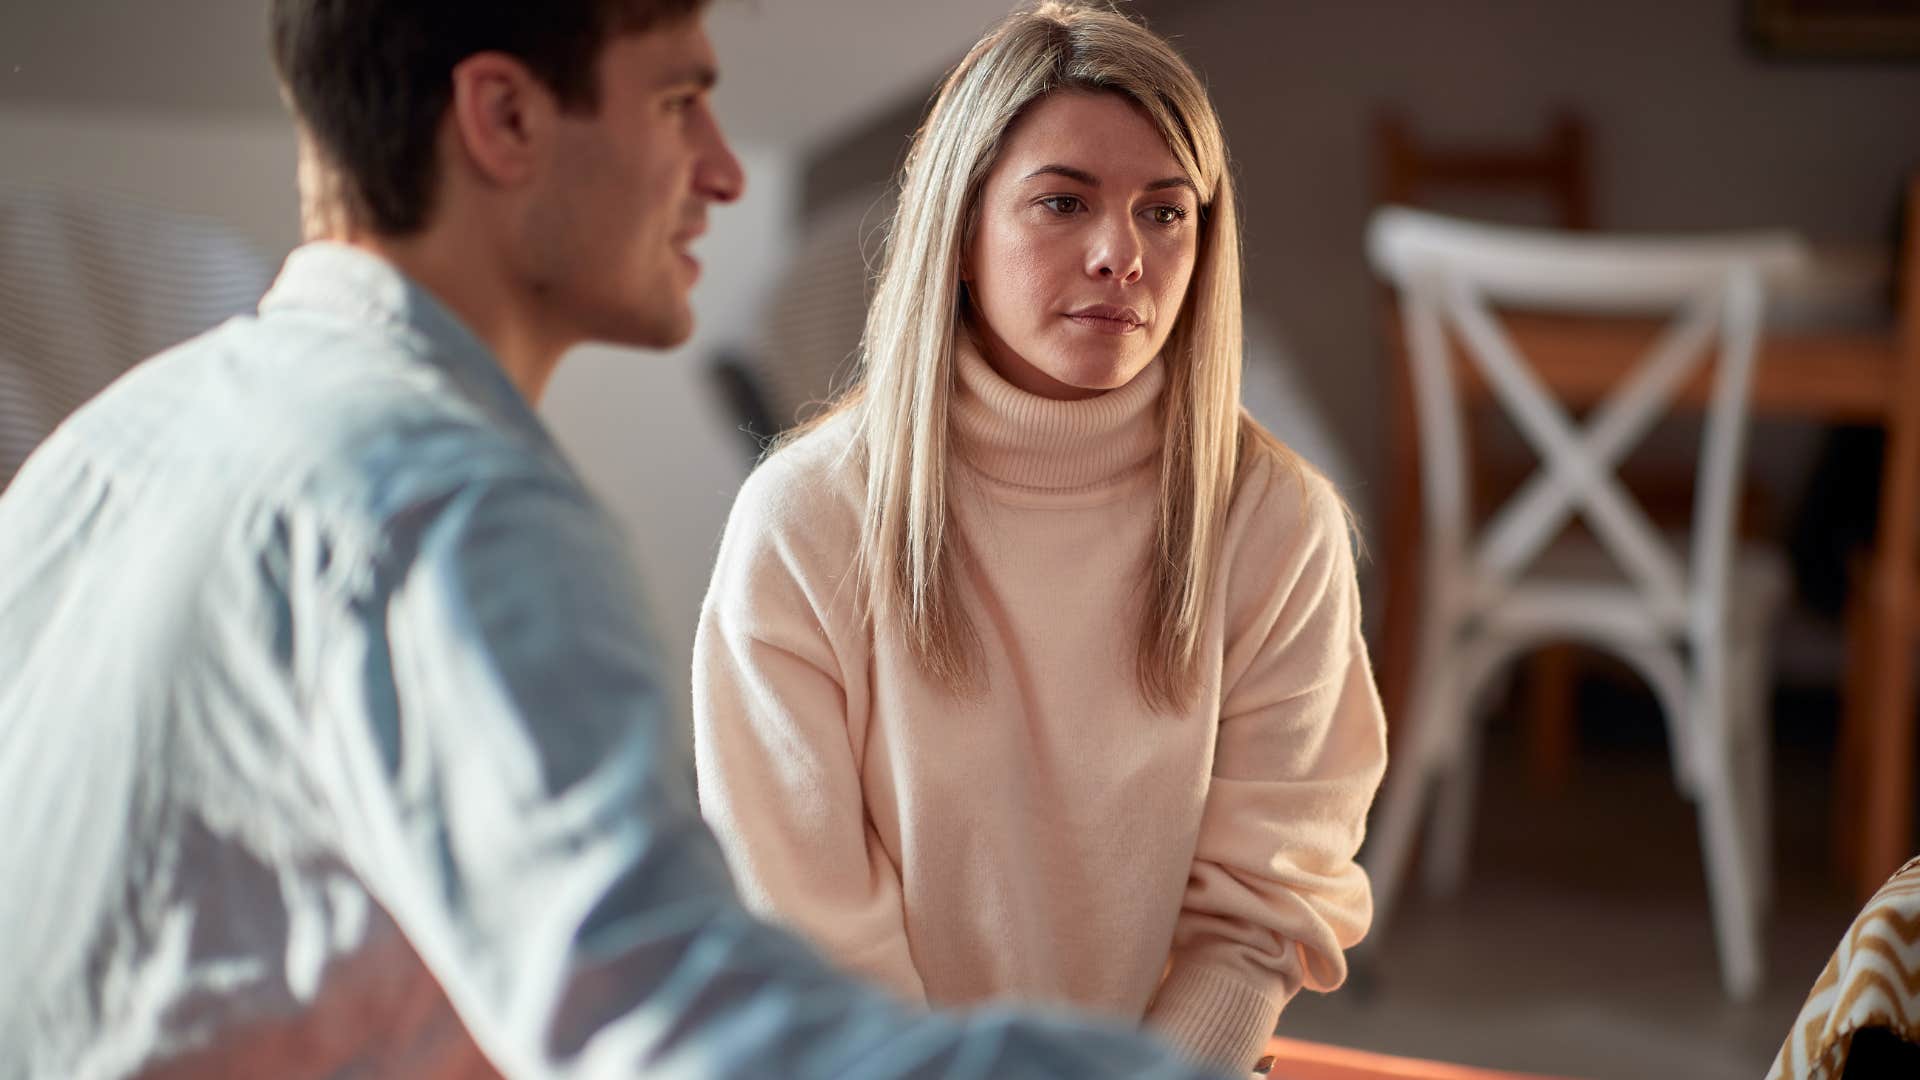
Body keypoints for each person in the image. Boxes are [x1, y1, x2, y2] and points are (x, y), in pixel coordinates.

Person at [0, 2, 1239, 1077]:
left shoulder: (105, 447)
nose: (723, 170)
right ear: (506, 119)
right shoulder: (443, 510)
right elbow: (683, 1041)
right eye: (679, 101)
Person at [692, 3, 1388, 1075]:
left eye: (1167, 213)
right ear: (960, 236)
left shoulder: (1276, 522)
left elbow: (1259, 914)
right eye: (1063, 203)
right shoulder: (806, 521)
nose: (1123, 255)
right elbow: (811, 933)